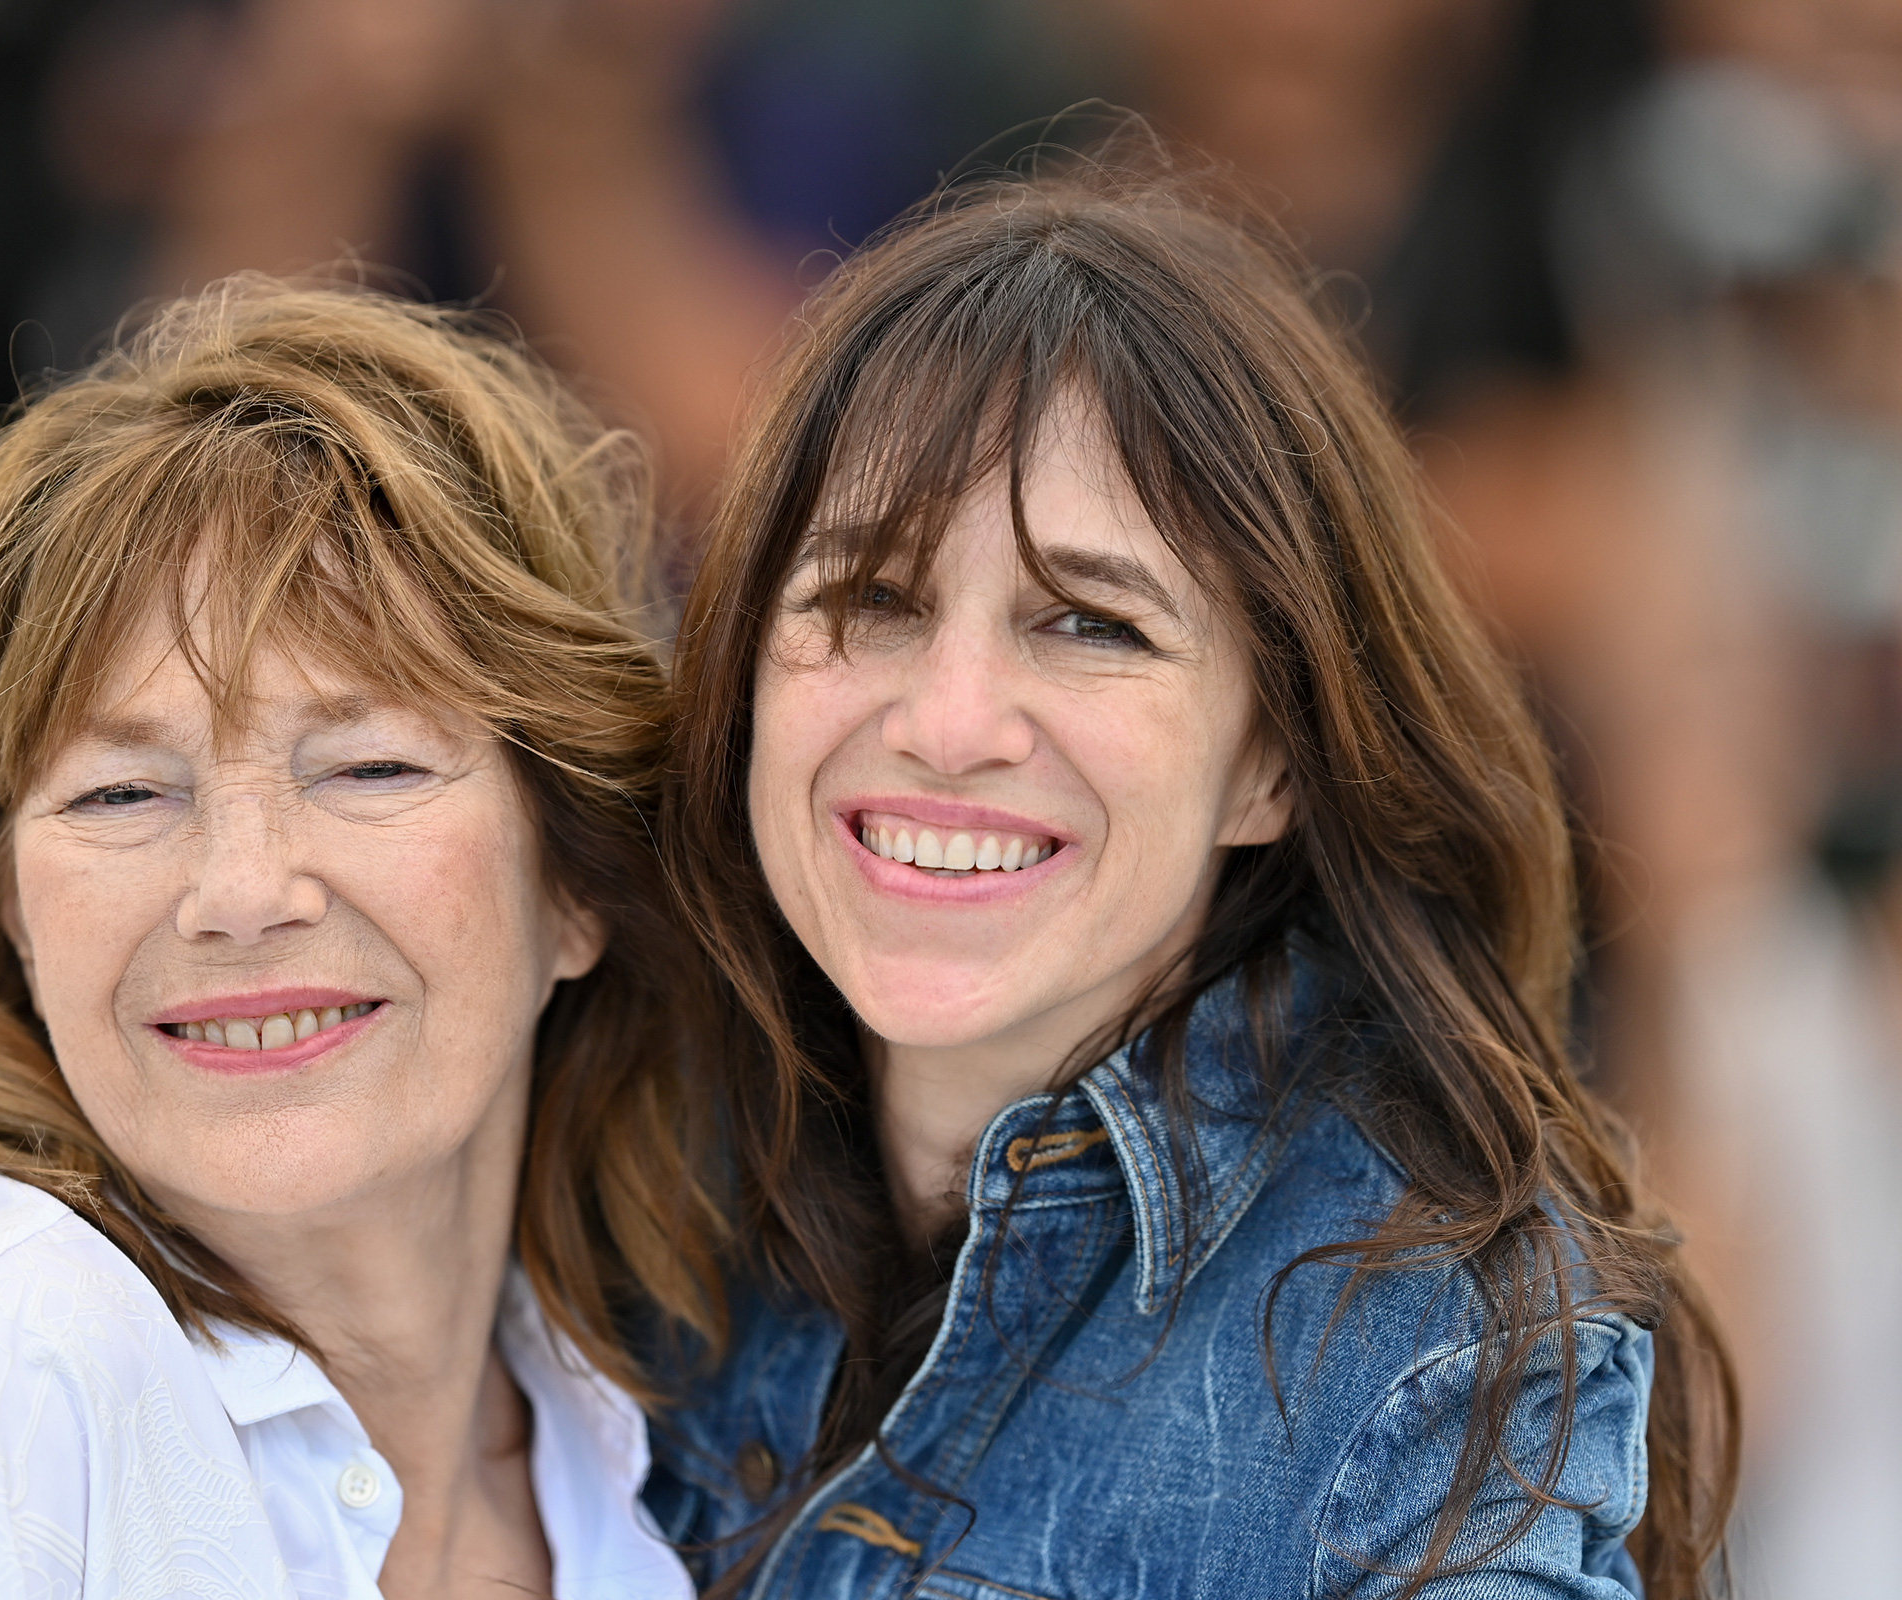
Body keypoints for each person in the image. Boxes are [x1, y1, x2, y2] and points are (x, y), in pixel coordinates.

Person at [642, 172, 1738, 1599]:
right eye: (873, 599)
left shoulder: (1428, 1348)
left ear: (1270, 761)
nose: (950, 722)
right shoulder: (608, 1167)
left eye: (1089, 624)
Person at [0, 280, 713, 1600]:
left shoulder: (679, 1460)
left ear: (577, 877)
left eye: (369, 767)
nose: (241, 890)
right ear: (10, 910)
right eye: (123, 793)